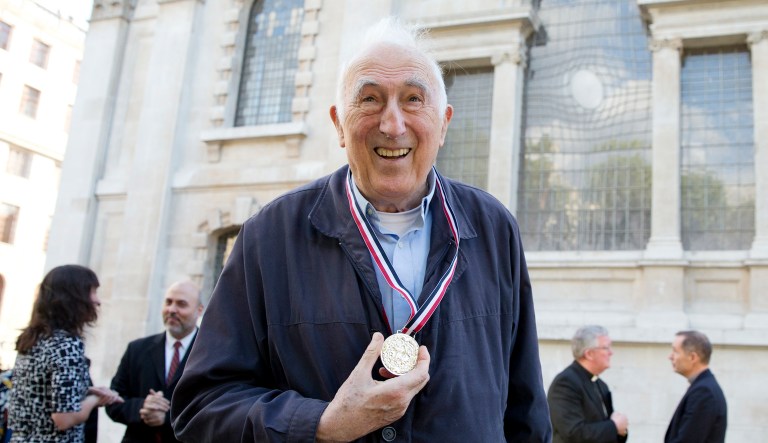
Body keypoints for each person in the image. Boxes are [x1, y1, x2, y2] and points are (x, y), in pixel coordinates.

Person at [171, 17, 551, 442]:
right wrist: (321, 424)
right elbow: (200, 407)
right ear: (338, 124)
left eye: (412, 99)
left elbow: (526, 408)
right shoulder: (269, 237)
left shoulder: (494, 228)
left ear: (443, 124)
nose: (392, 124)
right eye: (369, 99)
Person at [6, 264, 123, 442]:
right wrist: (94, 400)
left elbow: (40, 390)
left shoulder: (34, 338)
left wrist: (86, 389)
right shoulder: (66, 345)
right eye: (92, 292)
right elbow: (64, 418)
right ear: (75, 297)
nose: (98, 301)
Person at [106, 281, 203, 442]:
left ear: (199, 310)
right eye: (168, 302)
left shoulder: (210, 353)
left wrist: (167, 418)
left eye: (181, 304)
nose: (172, 309)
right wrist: (142, 407)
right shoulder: (137, 349)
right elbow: (113, 400)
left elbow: (215, 409)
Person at [547, 325, 629, 443]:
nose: (611, 353)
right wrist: (614, 426)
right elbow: (574, 433)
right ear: (589, 354)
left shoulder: (600, 384)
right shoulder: (565, 383)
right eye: (606, 348)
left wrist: (621, 430)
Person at [665, 330, 727, 443]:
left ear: (693, 357)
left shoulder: (704, 392)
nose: (670, 356)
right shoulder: (703, 387)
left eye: (675, 351)